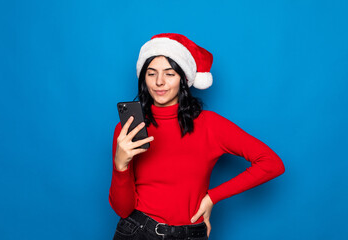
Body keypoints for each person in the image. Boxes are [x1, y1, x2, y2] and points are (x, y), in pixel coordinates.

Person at [109, 33, 285, 239]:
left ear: (184, 78)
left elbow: (272, 164)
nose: (159, 82)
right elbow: (122, 210)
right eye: (151, 73)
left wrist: (212, 197)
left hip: (190, 233)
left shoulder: (210, 124)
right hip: (137, 231)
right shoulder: (128, 129)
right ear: (143, 78)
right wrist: (120, 166)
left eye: (169, 74)